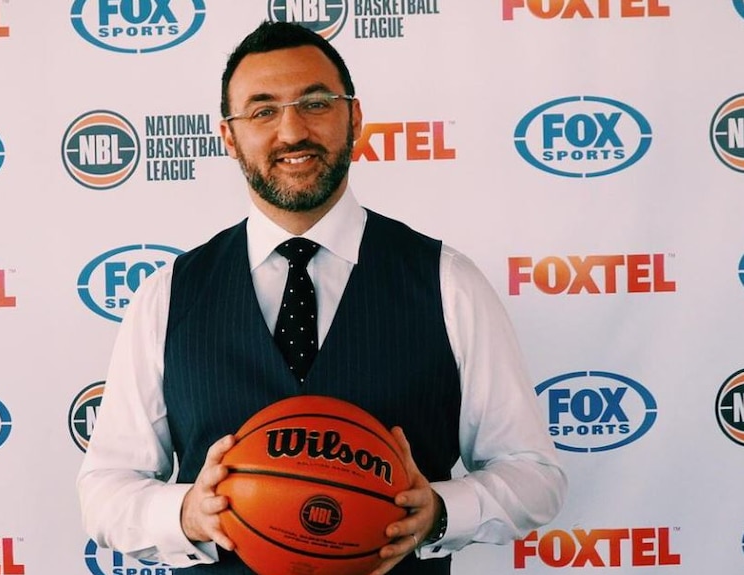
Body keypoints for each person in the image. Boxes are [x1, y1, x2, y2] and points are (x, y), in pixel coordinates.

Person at [77, 20, 567, 575]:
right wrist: (186, 514)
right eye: (262, 111)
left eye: (315, 103)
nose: (291, 132)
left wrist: (438, 512)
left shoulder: (447, 281)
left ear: (354, 119)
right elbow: (105, 489)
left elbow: (534, 474)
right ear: (230, 137)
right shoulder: (169, 294)